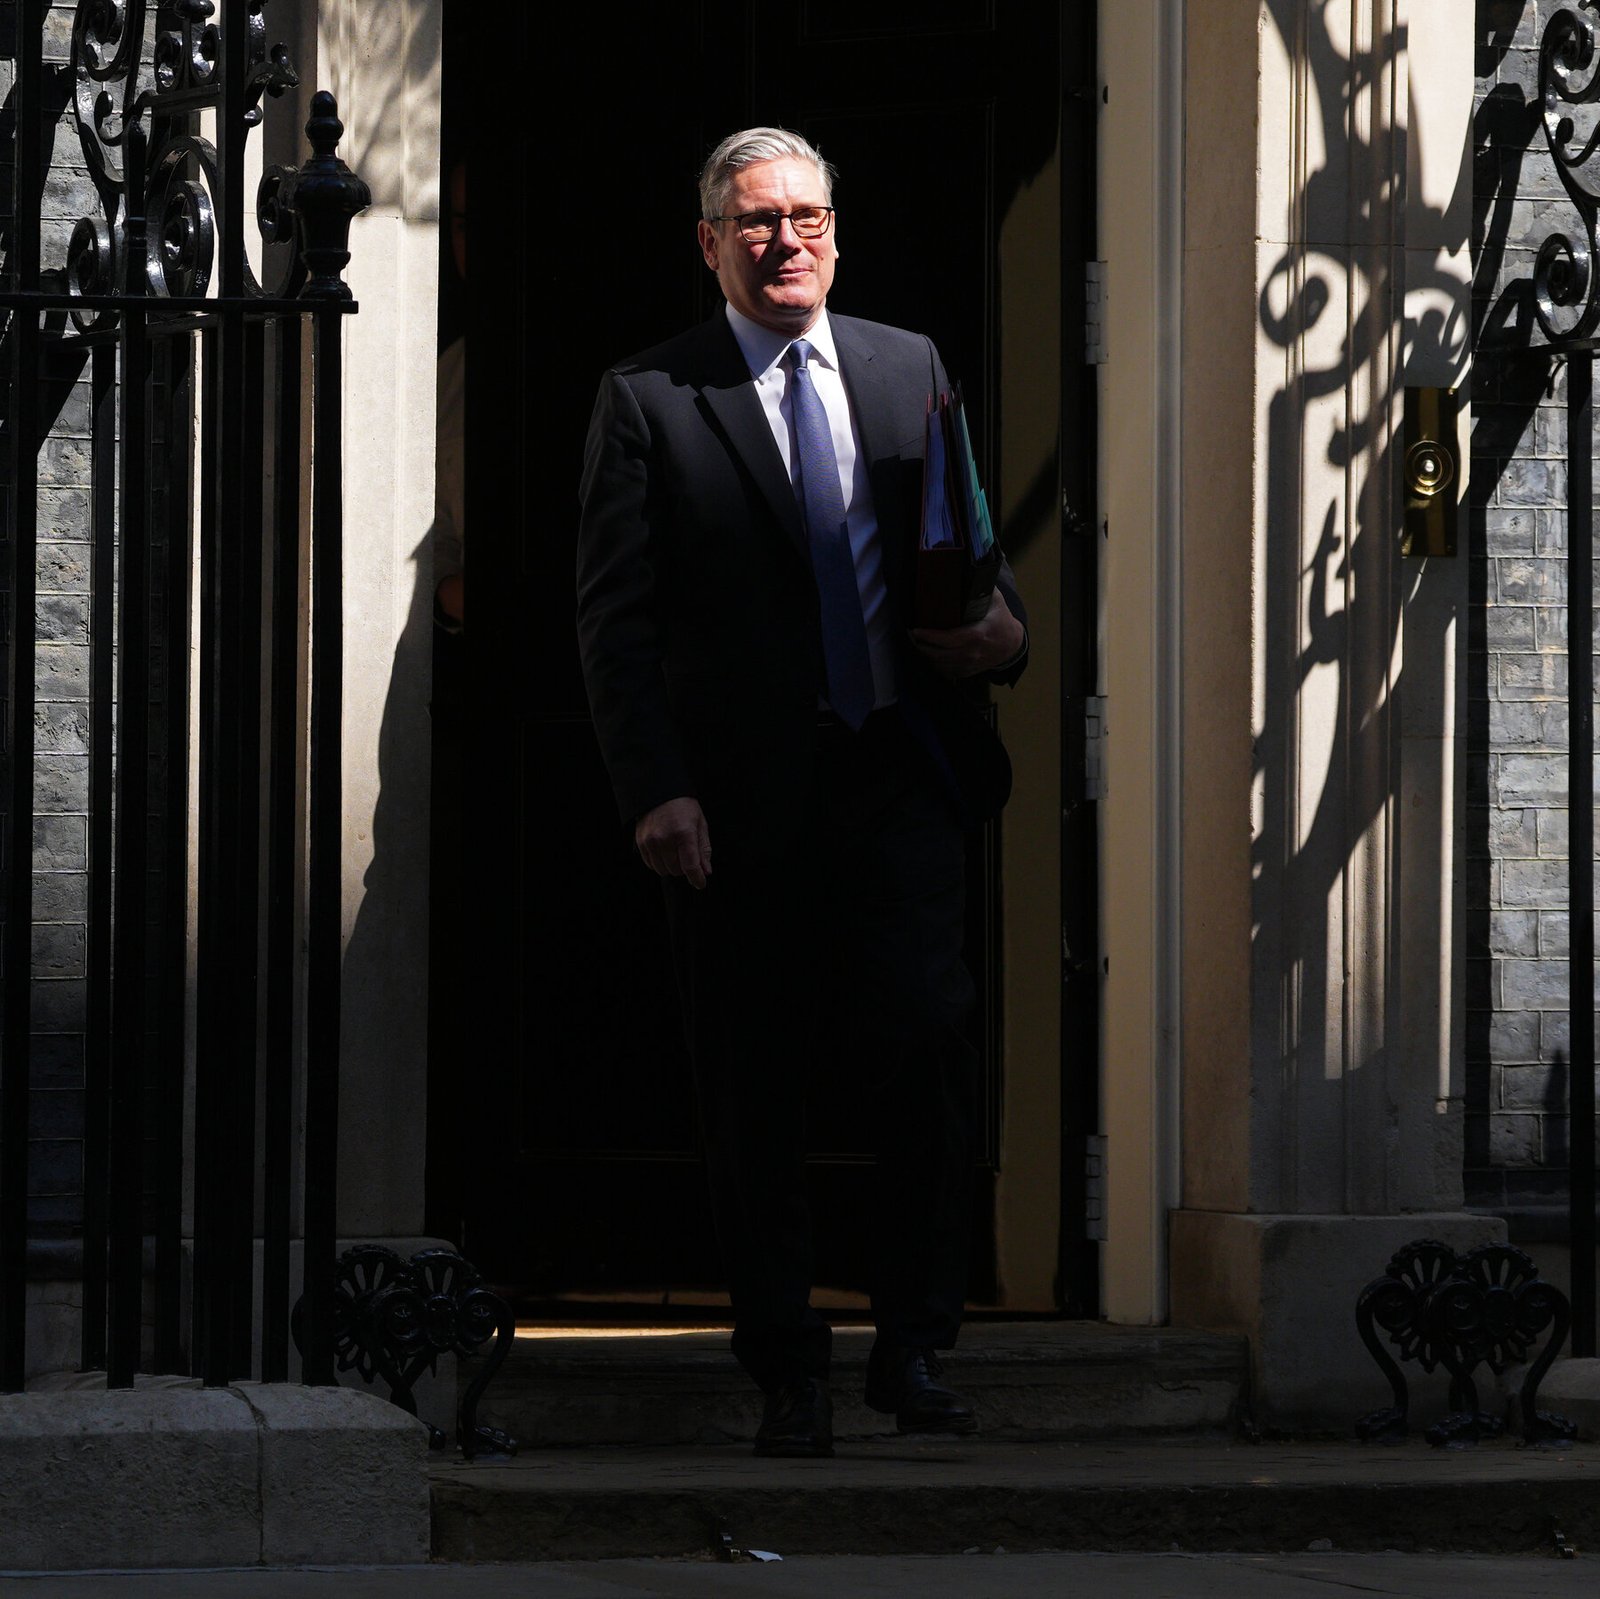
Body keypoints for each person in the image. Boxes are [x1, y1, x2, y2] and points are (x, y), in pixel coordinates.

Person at [575, 127, 1028, 1459]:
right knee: (755, 1086)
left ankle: (915, 1348)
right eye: (758, 222)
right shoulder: (651, 396)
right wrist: (656, 791)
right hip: (739, 807)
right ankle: (788, 1369)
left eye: (808, 219)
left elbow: (969, 549)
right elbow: (615, 621)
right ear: (711, 243)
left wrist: (1006, 635)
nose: (787, 242)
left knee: (927, 1057)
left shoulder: (907, 366)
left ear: (837, 233)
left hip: (896, 780)